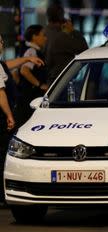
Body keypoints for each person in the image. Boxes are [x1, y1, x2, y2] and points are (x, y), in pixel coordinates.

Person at [0, 34, 44, 204]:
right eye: (0, 41)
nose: (3, 44)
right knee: (4, 154)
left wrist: (29, 58)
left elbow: (7, 65)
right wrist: (9, 115)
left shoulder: (1, 64)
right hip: (2, 116)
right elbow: (0, 93)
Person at [44, 2, 88, 84]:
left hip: (48, 79)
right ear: (61, 16)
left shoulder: (44, 32)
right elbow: (84, 50)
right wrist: (73, 31)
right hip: (61, 80)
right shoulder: (62, 37)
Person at [16, 24, 48, 128]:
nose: (45, 38)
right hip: (31, 97)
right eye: (43, 35)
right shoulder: (31, 51)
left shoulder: (25, 48)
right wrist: (39, 85)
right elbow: (24, 71)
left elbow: (15, 73)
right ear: (34, 36)